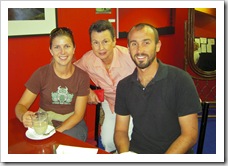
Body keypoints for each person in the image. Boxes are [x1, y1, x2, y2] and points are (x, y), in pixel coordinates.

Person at [114, 23, 201, 154]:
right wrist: (125, 156)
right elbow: (120, 131)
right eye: (134, 44)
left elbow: (190, 135)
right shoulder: (124, 86)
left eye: (146, 43)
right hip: (137, 153)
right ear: (128, 48)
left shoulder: (181, 79)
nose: (139, 50)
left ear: (158, 46)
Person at [15, 27, 90, 141]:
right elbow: (20, 106)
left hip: (72, 124)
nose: (62, 52)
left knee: (64, 144)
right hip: (45, 122)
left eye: (67, 46)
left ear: (74, 48)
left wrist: (55, 133)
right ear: (50, 50)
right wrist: (23, 116)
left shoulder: (82, 77)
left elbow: (78, 115)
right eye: (57, 47)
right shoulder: (41, 74)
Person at [74, 20, 136, 152]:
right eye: (96, 42)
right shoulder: (88, 59)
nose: (101, 48)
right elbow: (73, 73)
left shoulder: (129, 56)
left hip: (135, 104)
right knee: (108, 141)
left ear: (114, 41)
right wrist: (87, 90)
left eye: (105, 41)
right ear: (91, 43)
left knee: (131, 138)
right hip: (111, 103)